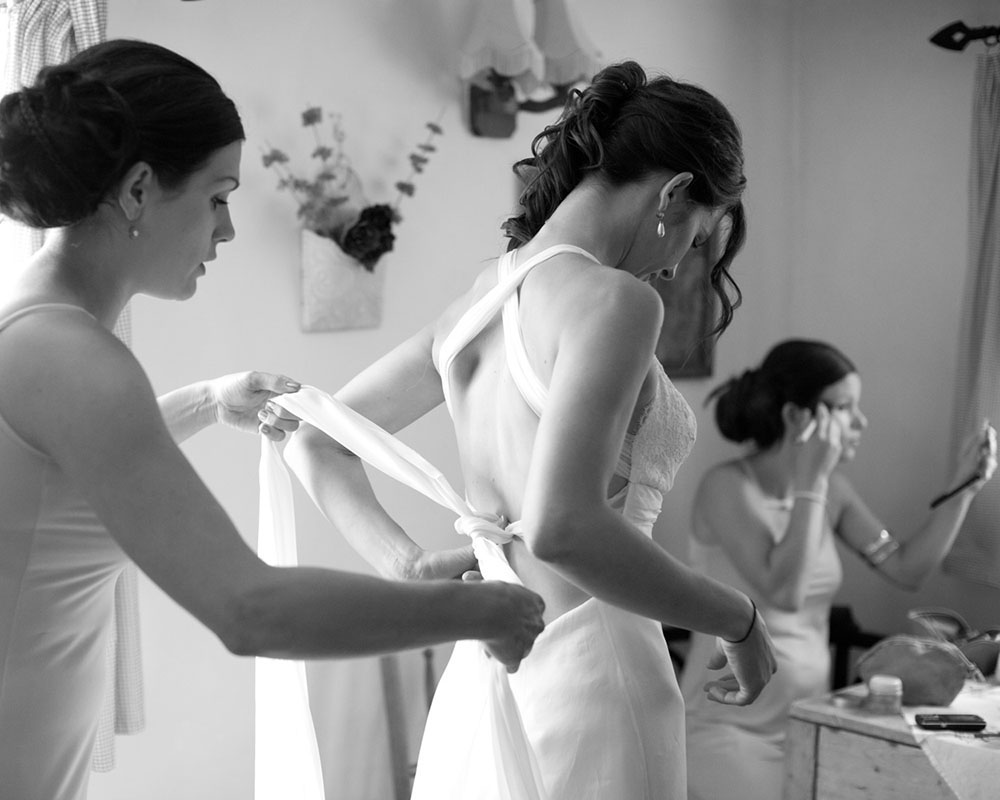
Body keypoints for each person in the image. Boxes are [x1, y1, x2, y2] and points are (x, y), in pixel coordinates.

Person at [0, 39, 546, 800]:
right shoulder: (74, 357)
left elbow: (64, 477)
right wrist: (473, 610)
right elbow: (249, 609)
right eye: (218, 197)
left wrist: (207, 400)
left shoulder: (38, 326)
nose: (225, 231)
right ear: (136, 191)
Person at [278, 60, 777, 800]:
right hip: (597, 671)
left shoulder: (471, 309)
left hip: (491, 666)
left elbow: (311, 436)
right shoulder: (614, 302)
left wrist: (408, 562)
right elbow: (562, 529)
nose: (677, 269)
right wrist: (738, 621)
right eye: (698, 238)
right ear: (674, 193)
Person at [680, 338, 998, 800]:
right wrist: (812, 480)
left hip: (810, 718)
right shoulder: (727, 487)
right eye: (846, 407)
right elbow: (784, 591)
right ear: (796, 416)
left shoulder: (833, 491)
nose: (861, 422)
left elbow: (907, 569)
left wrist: (965, 490)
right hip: (730, 731)